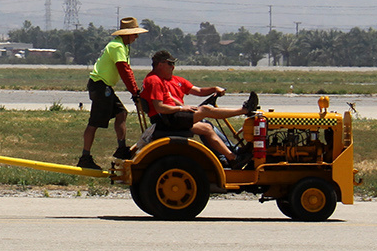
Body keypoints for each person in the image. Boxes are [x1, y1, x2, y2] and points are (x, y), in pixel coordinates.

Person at [140, 50, 259, 168]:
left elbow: (174, 98)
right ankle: (245, 110)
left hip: (168, 117)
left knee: (206, 127)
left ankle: (232, 156)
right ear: (160, 64)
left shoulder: (158, 79)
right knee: (205, 110)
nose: (173, 67)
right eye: (170, 64)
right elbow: (160, 107)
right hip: (166, 119)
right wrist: (182, 108)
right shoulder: (154, 80)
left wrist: (187, 107)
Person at [77, 17, 146, 170]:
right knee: (94, 122)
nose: (136, 37)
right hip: (100, 86)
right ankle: (85, 157)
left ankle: (121, 148)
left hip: (105, 86)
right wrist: (135, 93)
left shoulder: (123, 46)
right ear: (127, 34)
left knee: (121, 113)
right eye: (135, 34)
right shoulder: (117, 47)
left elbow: (127, 71)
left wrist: (135, 91)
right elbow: (125, 71)